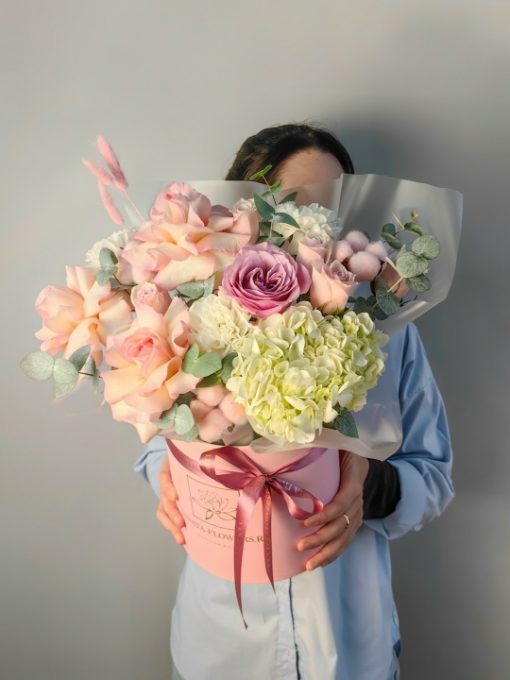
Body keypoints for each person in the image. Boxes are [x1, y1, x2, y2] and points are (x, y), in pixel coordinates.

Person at [133, 123, 455, 680]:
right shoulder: (192, 321)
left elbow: (434, 476)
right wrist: (166, 477)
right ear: (245, 211)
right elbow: (156, 441)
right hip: (221, 649)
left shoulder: (389, 333)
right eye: (295, 204)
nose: (314, 225)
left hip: (349, 650)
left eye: (332, 205)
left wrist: (365, 487)